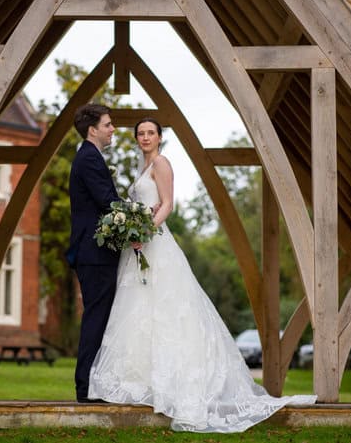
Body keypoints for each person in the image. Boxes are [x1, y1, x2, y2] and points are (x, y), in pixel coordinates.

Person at [88, 118, 317, 432]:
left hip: (155, 244)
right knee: (139, 311)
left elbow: (168, 205)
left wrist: (144, 230)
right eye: (140, 133)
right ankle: (143, 381)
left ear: (159, 137)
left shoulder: (162, 163)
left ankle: (178, 383)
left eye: (150, 133)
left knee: (167, 311)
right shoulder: (143, 167)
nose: (145, 137)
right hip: (137, 249)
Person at [67, 103, 120, 403]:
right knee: (96, 318)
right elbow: (107, 201)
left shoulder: (89, 156)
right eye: (108, 124)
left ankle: (93, 384)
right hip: (95, 252)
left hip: (94, 252)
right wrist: (137, 216)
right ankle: (86, 387)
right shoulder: (88, 158)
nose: (113, 129)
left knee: (99, 317)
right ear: (93, 130)